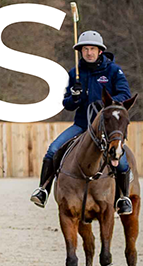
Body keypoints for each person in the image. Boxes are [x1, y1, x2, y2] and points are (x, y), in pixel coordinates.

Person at [32, 31, 134, 214]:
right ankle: (43, 190)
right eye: (85, 49)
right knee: (53, 150)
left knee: (123, 162)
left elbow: (125, 94)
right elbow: (67, 104)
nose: (89, 53)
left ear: (100, 51)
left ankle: (123, 198)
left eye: (92, 49)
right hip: (81, 125)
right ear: (81, 51)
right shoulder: (75, 73)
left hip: (105, 127)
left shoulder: (113, 71)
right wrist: (76, 97)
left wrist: (106, 102)